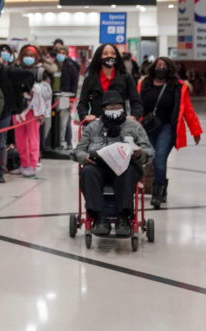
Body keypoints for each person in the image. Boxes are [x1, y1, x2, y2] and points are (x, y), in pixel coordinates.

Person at [73, 91, 153, 237]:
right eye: (110, 106)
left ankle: (123, 218)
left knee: (126, 172)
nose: (114, 108)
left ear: (123, 107)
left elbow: (149, 151)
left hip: (126, 166)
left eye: (117, 105)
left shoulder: (134, 126)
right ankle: (99, 217)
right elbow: (77, 151)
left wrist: (140, 153)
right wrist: (84, 157)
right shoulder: (92, 127)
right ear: (103, 108)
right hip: (99, 166)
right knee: (87, 172)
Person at [138, 57, 202, 208]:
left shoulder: (178, 87)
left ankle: (157, 193)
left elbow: (188, 110)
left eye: (164, 66)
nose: (161, 68)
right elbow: (137, 105)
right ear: (153, 67)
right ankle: (161, 189)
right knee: (152, 158)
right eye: (158, 65)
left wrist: (195, 131)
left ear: (169, 69)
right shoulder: (144, 84)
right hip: (147, 127)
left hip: (167, 127)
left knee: (159, 158)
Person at [0, 47, 34, 183]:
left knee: (1, 143)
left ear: (1, 60)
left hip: (5, 112)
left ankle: (0, 171)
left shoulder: (10, 71)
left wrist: (24, 89)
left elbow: (30, 76)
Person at [77, 43, 143, 122]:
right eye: (105, 53)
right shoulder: (90, 78)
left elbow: (136, 101)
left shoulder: (126, 77)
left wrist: (134, 116)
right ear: (99, 56)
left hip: (121, 124)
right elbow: (82, 103)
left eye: (113, 53)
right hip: (96, 124)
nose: (110, 56)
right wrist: (85, 116)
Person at [13, 45, 52, 177]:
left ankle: (32, 164)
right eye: (26, 55)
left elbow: (47, 93)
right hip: (18, 109)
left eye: (31, 55)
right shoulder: (16, 70)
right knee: (19, 139)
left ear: (36, 57)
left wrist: (43, 112)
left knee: (33, 138)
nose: (28, 58)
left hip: (34, 110)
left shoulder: (41, 72)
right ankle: (24, 163)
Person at [54, 45, 79, 149]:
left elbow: (74, 84)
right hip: (54, 96)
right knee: (55, 119)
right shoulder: (55, 65)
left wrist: (72, 100)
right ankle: (55, 141)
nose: (60, 55)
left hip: (65, 96)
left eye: (63, 53)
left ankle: (62, 141)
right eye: (59, 53)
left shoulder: (71, 66)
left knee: (63, 120)